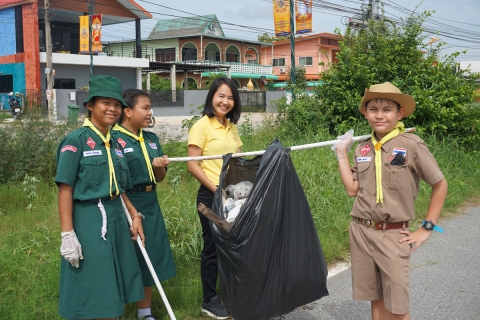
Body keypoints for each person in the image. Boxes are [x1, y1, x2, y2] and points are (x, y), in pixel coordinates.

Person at [332, 82, 448, 320]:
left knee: (397, 307)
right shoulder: (363, 148)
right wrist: (341, 152)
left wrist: (427, 228)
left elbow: (439, 184)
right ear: (365, 112)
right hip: (361, 231)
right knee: (377, 299)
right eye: (373, 109)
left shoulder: (410, 145)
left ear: (400, 113)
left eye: (387, 109)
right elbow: (352, 189)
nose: (379, 115)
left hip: (393, 234)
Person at [55, 75, 146, 319]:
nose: (112, 109)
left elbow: (118, 186)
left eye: (117, 104)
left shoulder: (115, 142)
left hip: (116, 214)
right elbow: (65, 188)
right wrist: (68, 234)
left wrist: (134, 214)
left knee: (114, 276)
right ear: (90, 106)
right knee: (93, 279)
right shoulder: (76, 141)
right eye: (106, 103)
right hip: (88, 219)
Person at [111, 88, 176, 320]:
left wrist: (159, 166)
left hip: (150, 201)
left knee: (149, 255)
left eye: (150, 108)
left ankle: (145, 313)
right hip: (126, 202)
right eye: (145, 107)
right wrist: (131, 210)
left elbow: (159, 177)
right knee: (128, 258)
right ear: (127, 111)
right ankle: (112, 311)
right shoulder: (113, 140)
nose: (150, 112)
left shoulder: (151, 139)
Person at [187, 77, 243, 319]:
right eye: (221, 96)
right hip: (210, 198)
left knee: (232, 244)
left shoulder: (231, 127)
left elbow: (238, 161)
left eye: (230, 98)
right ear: (211, 97)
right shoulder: (202, 125)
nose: (226, 101)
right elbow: (193, 165)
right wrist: (217, 190)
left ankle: (230, 293)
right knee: (212, 246)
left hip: (231, 197)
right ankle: (209, 300)